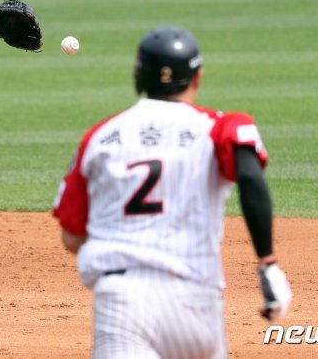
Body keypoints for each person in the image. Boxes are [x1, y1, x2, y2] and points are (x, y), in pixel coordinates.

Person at [52, 26, 292, 358]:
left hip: (122, 302)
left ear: (138, 76)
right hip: (194, 302)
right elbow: (250, 176)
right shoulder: (222, 126)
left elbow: (72, 238)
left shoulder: (100, 138)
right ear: (197, 78)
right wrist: (268, 263)